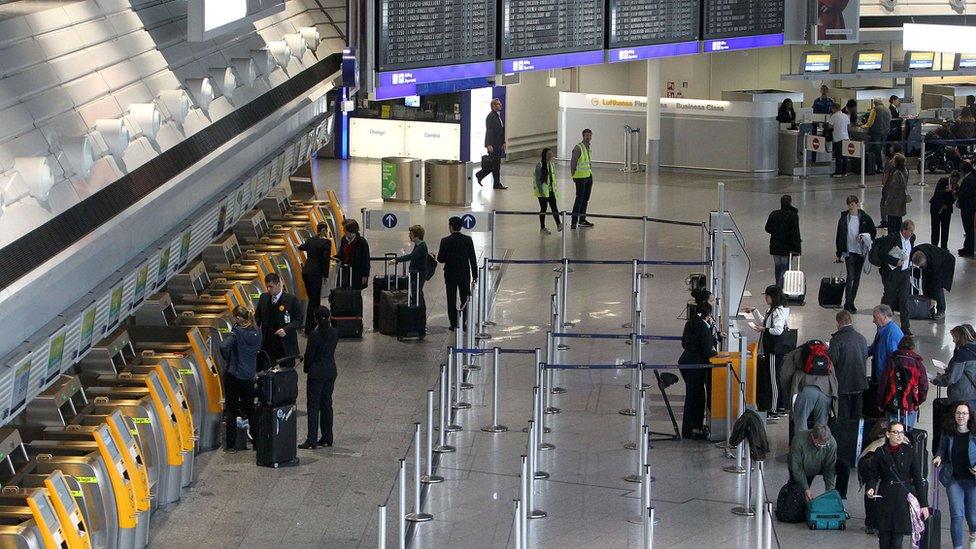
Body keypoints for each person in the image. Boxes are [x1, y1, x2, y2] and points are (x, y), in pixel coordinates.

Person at [863, 421, 931, 549]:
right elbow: (873, 474)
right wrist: (871, 487)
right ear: (888, 434)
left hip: (902, 498)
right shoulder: (880, 452)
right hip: (885, 497)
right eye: (895, 432)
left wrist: (924, 504)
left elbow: (917, 479)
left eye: (901, 432)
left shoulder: (909, 451)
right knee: (884, 540)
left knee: (896, 542)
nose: (899, 435)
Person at [934, 401, 976, 549]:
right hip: (953, 479)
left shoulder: (974, 434)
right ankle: (957, 547)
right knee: (956, 515)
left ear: (970, 416)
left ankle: (973, 538)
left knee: (972, 518)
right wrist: (939, 457)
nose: (961, 416)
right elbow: (941, 450)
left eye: (964, 413)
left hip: (973, 481)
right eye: (958, 413)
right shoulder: (948, 432)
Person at [218, 306, 261, 451]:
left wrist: (229, 358)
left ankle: (231, 444)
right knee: (250, 409)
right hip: (249, 376)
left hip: (234, 375)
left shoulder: (237, 333)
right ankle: (257, 441)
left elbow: (223, 346)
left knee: (231, 409)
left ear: (238, 318)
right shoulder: (257, 331)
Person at [299, 307, 338, 450]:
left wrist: (306, 368)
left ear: (315, 319)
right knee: (327, 404)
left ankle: (311, 439)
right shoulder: (334, 332)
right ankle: (328, 437)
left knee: (313, 406)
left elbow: (309, 355)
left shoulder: (314, 335)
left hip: (316, 373)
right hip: (330, 372)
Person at [780, 343, 839, 436]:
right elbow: (833, 374)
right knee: (821, 426)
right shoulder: (826, 353)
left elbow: (785, 374)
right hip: (826, 391)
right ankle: (820, 447)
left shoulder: (797, 353)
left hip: (805, 389)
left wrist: (789, 390)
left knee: (801, 422)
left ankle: (802, 448)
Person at [678, 302, 718, 440]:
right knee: (696, 397)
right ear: (709, 315)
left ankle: (692, 428)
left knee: (693, 396)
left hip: (686, 363)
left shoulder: (690, 323)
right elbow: (708, 351)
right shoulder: (703, 328)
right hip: (696, 366)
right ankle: (693, 430)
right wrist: (718, 355)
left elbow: (684, 343)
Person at [753, 285, 791, 417]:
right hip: (772, 349)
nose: (765, 298)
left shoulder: (777, 312)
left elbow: (778, 330)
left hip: (774, 350)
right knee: (774, 378)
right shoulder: (772, 310)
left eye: (767, 296)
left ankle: (774, 409)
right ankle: (780, 406)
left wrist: (764, 330)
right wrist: (754, 312)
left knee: (774, 379)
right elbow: (765, 322)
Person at [834, 195, 876, 312]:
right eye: (849, 205)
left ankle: (851, 301)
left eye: (852, 204)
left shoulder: (865, 218)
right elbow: (839, 236)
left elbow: (873, 231)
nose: (851, 207)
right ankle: (848, 302)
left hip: (860, 251)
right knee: (850, 276)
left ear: (857, 204)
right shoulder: (843, 219)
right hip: (849, 251)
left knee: (857, 277)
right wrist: (838, 253)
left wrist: (865, 237)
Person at [437, 216, 478, 331]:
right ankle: (463, 321)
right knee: (464, 297)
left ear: (451, 227)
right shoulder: (468, 240)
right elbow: (472, 259)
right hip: (464, 273)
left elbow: (441, 259)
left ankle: (453, 323)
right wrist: (475, 275)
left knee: (451, 298)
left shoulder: (445, 241)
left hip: (450, 273)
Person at [255, 272, 303, 370]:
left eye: (271, 287)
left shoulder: (290, 299)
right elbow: (258, 316)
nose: (269, 289)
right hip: (268, 342)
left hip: (284, 343)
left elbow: (299, 319)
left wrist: (286, 329)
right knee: (265, 372)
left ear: (278, 284)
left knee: (286, 371)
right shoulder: (263, 298)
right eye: (267, 287)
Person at [878, 336, 928, 428]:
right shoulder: (917, 363)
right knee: (907, 434)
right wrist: (918, 401)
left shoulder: (892, 360)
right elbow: (923, 386)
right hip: (910, 404)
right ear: (912, 347)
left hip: (892, 403)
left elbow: (883, 383)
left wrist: (881, 402)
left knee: (892, 431)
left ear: (899, 346)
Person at [829, 310, 869, 420]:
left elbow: (832, 360)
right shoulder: (862, 338)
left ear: (838, 323)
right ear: (850, 321)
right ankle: (856, 437)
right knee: (857, 416)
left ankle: (845, 436)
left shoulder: (836, 340)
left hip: (843, 384)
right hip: (859, 383)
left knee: (843, 417)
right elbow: (865, 356)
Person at [789, 424, 844, 501]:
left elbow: (829, 468)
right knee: (799, 497)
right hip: (803, 467)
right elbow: (797, 467)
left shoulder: (831, 443)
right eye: (818, 444)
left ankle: (838, 499)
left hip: (820, 464)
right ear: (812, 436)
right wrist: (805, 488)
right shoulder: (798, 440)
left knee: (844, 467)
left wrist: (830, 490)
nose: (821, 447)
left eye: (824, 445)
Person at [880, 220, 917, 335]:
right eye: (909, 231)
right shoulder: (892, 238)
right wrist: (896, 261)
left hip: (905, 273)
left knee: (904, 300)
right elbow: (882, 254)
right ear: (903, 230)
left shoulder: (912, 238)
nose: (911, 234)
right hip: (892, 273)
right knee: (889, 298)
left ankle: (905, 328)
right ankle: (883, 324)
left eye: (912, 232)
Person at [858, 419, 891, 534]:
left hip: (867, 461)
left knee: (870, 490)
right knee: (881, 491)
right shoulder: (896, 441)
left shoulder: (872, 443)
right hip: (874, 462)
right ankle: (879, 523)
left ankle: (871, 524)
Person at [298, 221, 332, 335]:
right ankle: (311, 328)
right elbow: (325, 260)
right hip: (316, 274)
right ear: (324, 230)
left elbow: (301, 247)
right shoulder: (326, 243)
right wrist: (326, 275)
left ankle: (309, 327)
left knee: (311, 299)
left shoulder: (310, 240)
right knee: (314, 301)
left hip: (306, 272)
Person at [932, 325, 976, 410]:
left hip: (961, 395)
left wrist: (938, 380)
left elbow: (952, 378)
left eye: (954, 337)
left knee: (960, 420)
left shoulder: (962, 354)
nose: (953, 340)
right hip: (973, 393)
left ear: (961, 337)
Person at [910, 243, 956, 320]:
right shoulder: (913, 252)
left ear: (926, 260)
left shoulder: (936, 262)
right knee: (925, 284)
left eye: (922, 265)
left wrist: (933, 299)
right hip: (931, 261)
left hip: (945, 263)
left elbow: (936, 282)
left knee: (938, 288)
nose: (921, 267)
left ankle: (941, 310)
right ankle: (929, 308)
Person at [764, 194, 801, 288]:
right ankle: (780, 288)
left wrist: (776, 232)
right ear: (790, 202)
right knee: (785, 268)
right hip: (786, 247)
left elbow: (767, 228)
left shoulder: (774, 214)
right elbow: (795, 233)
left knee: (778, 267)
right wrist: (797, 249)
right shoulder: (793, 216)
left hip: (775, 246)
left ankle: (777, 285)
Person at [475, 98, 507, 189]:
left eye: (500, 104)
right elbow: (489, 131)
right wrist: (489, 144)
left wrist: (503, 142)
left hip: (498, 144)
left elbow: (500, 131)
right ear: (493, 106)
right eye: (498, 104)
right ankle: (481, 175)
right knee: (494, 165)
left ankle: (495, 183)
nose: (500, 105)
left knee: (495, 165)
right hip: (493, 145)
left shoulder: (497, 116)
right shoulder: (490, 117)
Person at [391, 224, 428, 303]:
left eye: (411, 234)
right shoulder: (418, 245)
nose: (409, 236)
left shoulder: (421, 247)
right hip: (416, 273)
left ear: (416, 236)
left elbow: (411, 256)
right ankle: (418, 308)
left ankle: (419, 309)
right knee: (417, 292)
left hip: (419, 274)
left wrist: (397, 260)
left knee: (417, 292)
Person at [868, 304, 905, 381]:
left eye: (875, 317)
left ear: (885, 317)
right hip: (881, 376)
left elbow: (895, 359)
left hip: (887, 379)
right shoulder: (882, 330)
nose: (873, 321)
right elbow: (873, 348)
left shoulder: (892, 334)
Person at [570, 129, 594, 229]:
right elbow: (573, 162)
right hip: (580, 177)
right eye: (586, 135)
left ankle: (582, 219)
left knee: (585, 199)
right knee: (579, 199)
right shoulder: (578, 148)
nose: (588, 137)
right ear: (583, 136)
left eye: (589, 135)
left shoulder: (588, 147)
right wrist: (573, 175)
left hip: (588, 176)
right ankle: (574, 222)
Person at [336, 219, 370, 289]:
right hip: (345, 271)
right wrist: (336, 257)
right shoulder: (344, 240)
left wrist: (365, 275)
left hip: (356, 272)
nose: (343, 231)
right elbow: (342, 253)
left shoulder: (361, 242)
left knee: (354, 293)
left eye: (345, 230)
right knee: (342, 291)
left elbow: (366, 259)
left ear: (351, 231)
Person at [533, 148, 561, 234]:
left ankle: (558, 224)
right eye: (548, 154)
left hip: (550, 191)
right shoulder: (540, 165)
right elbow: (538, 181)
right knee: (543, 208)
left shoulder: (551, 165)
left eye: (551, 154)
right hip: (543, 193)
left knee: (554, 207)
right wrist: (541, 192)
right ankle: (542, 227)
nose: (550, 155)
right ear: (544, 155)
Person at [878, 143, 905, 231]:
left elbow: (886, 174)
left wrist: (883, 184)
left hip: (889, 189)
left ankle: (885, 221)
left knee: (885, 204)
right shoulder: (903, 167)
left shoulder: (890, 163)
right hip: (900, 195)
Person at [880, 154, 909, 235]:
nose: (891, 160)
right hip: (900, 200)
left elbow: (892, 189)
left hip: (893, 202)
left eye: (893, 159)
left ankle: (892, 241)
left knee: (892, 224)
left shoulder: (896, 173)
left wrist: (887, 201)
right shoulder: (905, 171)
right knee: (898, 221)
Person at [930, 172, 959, 250]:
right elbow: (936, 193)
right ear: (951, 177)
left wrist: (953, 196)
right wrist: (946, 191)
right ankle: (934, 246)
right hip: (936, 207)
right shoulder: (942, 181)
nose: (954, 182)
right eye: (953, 180)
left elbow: (954, 199)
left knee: (945, 228)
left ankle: (944, 247)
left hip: (947, 209)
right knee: (935, 227)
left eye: (956, 181)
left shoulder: (957, 187)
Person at [863, 98, 892, 174]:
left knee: (877, 150)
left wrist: (864, 126)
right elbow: (890, 119)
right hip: (885, 132)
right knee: (881, 149)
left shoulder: (874, 109)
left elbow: (870, 122)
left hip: (876, 132)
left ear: (875, 103)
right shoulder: (887, 110)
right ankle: (880, 167)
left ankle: (880, 167)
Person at [958, 162, 976, 257]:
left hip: (968, 208)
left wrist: (957, 192)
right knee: (969, 229)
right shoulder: (972, 177)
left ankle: (968, 248)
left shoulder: (969, 179)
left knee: (968, 228)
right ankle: (968, 247)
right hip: (970, 207)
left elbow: (965, 193)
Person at [829, 102, 850, 176]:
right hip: (846, 138)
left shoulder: (834, 116)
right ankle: (844, 172)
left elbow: (830, 127)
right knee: (845, 156)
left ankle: (838, 172)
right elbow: (847, 127)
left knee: (838, 156)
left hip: (838, 138)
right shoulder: (846, 116)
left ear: (833, 108)